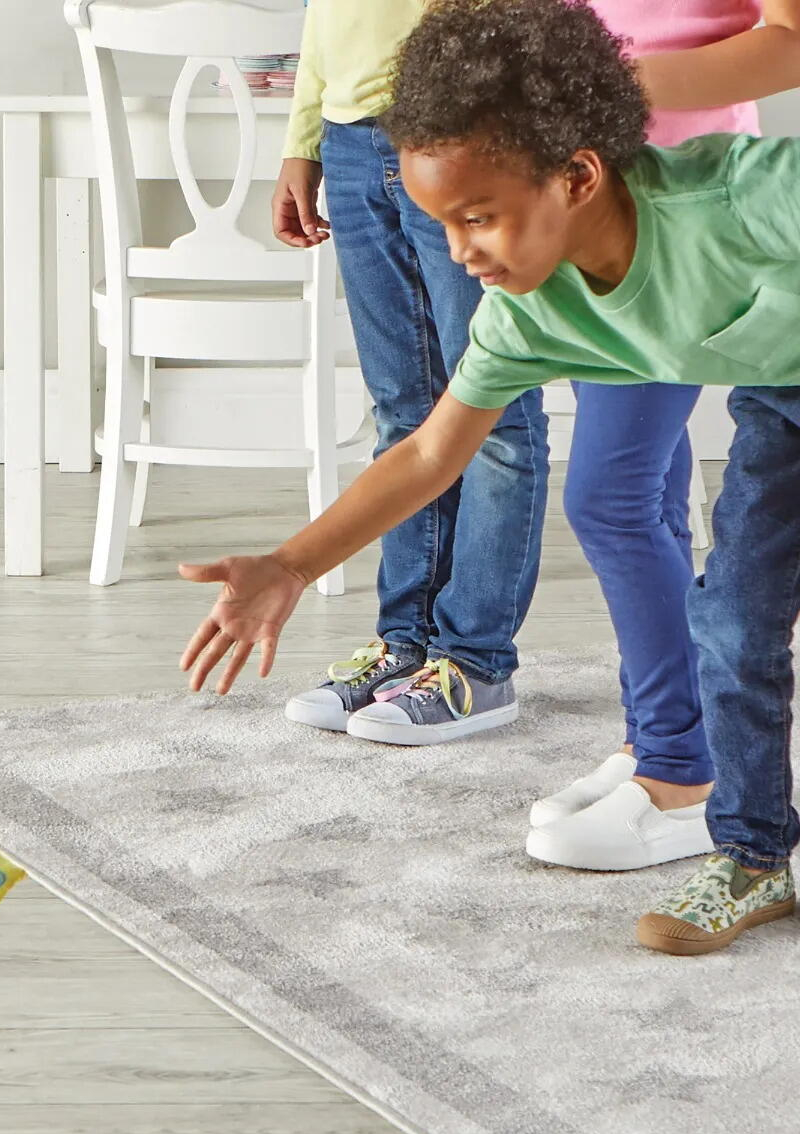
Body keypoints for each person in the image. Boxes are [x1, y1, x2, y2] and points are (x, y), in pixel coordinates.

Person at [179, 0, 800, 955]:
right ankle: (755, 857)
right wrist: (292, 564)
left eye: (478, 219)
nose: (462, 253)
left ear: (577, 176)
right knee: (734, 621)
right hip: (784, 400)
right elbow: (431, 453)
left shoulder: (743, 194)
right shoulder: (528, 314)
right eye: (446, 225)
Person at [527, 0, 800, 873]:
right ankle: (660, 734)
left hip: (683, 209)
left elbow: (791, 41)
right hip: (582, 197)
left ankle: (685, 773)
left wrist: (602, 86)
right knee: (646, 495)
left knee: (610, 497)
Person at [271, 0, 548, 747]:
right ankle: (408, 644)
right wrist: (304, 139)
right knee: (403, 410)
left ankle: (477, 662)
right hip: (351, 138)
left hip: (464, 124)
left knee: (491, 407)